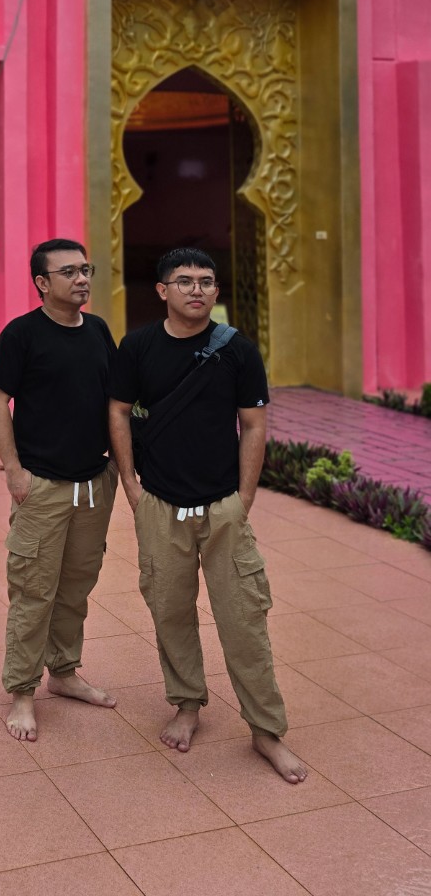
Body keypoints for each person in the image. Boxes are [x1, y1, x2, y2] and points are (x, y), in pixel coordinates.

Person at [109, 246, 307, 783]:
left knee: (244, 620)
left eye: (206, 281)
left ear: (216, 291)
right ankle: (187, 704)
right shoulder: (138, 347)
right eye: (184, 280)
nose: (196, 289)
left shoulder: (237, 350)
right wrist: (131, 484)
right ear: (162, 290)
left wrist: (244, 498)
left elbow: (254, 425)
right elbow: (119, 412)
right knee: (170, 612)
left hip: (223, 508)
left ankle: (266, 730)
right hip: (160, 505)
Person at [0, 239, 119, 742]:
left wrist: (120, 468)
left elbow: (116, 401)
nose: (82, 279)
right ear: (42, 283)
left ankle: (63, 673)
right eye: (69, 272)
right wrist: (14, 471)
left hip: (93, 484)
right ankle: (22, 691)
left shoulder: (98, 330)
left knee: (76, 586)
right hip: (42, 486)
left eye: (86, 269)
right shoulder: (21, 334)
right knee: (33, 592)